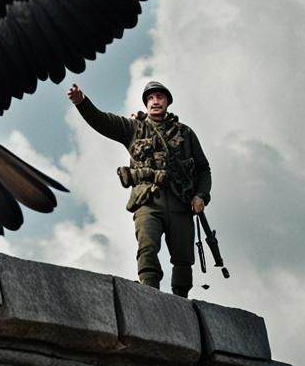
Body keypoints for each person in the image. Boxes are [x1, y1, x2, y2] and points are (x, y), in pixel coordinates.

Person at [67, 80, 211, 297]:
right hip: (148, 202)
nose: (155, 101)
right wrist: (82, 102)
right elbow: (102, 121)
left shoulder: (185, 133)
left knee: (183, 259)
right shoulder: (134, 128)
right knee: (147, 248)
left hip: (180, 203)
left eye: (160, 97)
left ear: (167, 102)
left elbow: (203, 168)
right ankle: (149, 296)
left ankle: (182, 302)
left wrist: (201, 195)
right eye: (151, 98)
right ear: (146, 103)